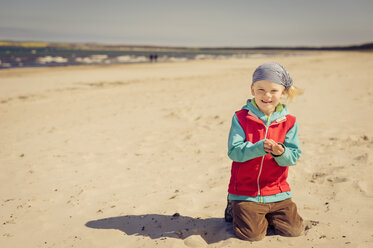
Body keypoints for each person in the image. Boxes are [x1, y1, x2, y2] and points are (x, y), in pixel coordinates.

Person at [225, 62, 304, 241]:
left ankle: (267, 215)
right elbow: (234, 152)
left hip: (277, 191)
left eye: (273, 91)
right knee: (252, 235)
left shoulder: (289, 121)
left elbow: (292, 157)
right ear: (252, 90)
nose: (266, 95)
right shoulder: (241, 118)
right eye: (260, 89)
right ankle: (233, 205)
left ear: (282, 92)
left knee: (294, 231)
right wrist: (258, 148)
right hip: (246, 191)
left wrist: (280, 152)